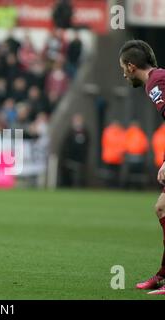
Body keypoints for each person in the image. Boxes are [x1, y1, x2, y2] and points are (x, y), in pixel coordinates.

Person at [119, 39, 165, 295]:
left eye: (123, 68)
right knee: (162, 206)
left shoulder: (154, 83)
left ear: (130, 66)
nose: (123, 73)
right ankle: (163, 275)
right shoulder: (160, 77)